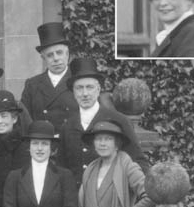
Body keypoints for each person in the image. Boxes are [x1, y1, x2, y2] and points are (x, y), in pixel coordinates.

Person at [58, 58, 149, 186]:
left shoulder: (119, 120)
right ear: (73, 92)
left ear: (98, 89)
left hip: (109, 199)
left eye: (90, 87)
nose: (85, 93)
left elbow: (139, 162)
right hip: (75, 200)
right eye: (79, 88)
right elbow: (62, 169)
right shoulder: (67, 126)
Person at [20, 22, 77, 132]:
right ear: (43, 58)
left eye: (59, 53)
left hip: (70, 143)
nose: (56, 59)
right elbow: (24, 120)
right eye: (50, 55)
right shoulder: (32, 85)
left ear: (67, 54)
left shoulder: (78, 81)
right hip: (42, 144)